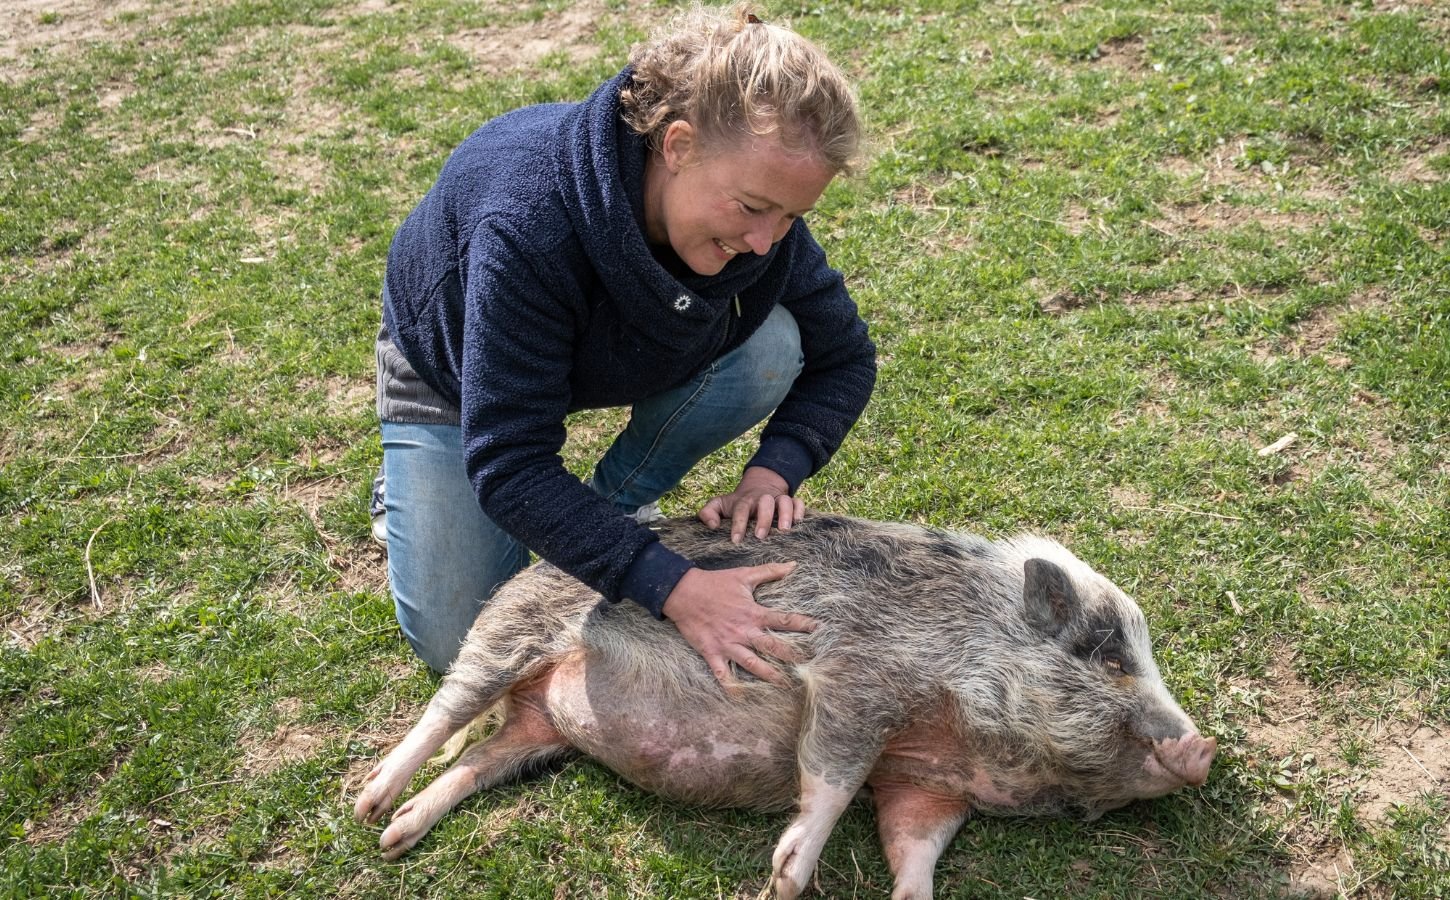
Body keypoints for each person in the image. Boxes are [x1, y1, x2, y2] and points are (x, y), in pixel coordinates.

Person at [372, 2, 876, 685]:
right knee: (461, 639)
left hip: (625, 346)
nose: (766, 241)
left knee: (772, 348)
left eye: (793, 216)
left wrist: (775, 470)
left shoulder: (764, 228)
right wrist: (676, 588)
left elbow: (845, 357)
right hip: (453, 371)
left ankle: (611, 511)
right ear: (676, 145)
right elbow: (512, 459)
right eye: (754, 208)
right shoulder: (525, 222)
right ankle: (406, 488)